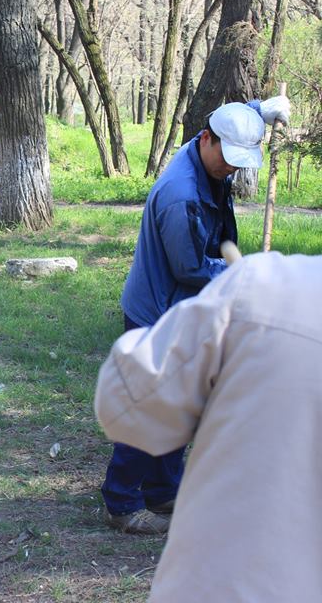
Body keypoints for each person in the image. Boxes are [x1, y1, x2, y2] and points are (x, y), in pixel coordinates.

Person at [100, 96, 291, 534]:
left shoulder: (208, 149)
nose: (231, 170)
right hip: (159, 312)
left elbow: (235, 114)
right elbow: (190, 268)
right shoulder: (181, 196)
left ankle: (163, 491)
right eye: (228, 160)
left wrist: (261, 109)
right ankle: (121, 502)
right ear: (206, 140)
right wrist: (241, 273)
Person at [94, 251, 322, 601]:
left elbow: (128, 405)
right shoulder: (258, 286)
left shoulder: (264, 288)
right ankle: (133, 496)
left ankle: (158, 490)